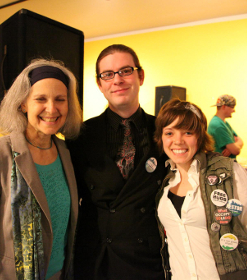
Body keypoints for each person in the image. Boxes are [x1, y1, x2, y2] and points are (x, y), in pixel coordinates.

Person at [0, 59, 83, 280]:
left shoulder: (65, 152)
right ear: (23, 104)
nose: (52, 108)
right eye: (40, 99)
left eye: (60, 100)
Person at [67, 44, 168, 280]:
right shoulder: (79, 136)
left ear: (140, 76)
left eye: (125, 71)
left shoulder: (165, 132)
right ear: (100, 83)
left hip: (149, 257)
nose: (117, 80)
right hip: (97, 257)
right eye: (108, 74)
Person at [155, 99, 247, 279]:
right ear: (161, 137)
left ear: (200, 136)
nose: (177, 141)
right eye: (169, 133)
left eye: (188, 132)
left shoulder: (229, 172)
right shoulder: (166, 182)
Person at [208, 95, 243, 159]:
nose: (234, 110)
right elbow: (236, 151)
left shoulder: (224, 123)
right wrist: (233, 148)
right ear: (224, 107)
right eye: (232, 107)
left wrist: (231, 148)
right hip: (221, 166)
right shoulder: (217, 125)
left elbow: (240, 141)